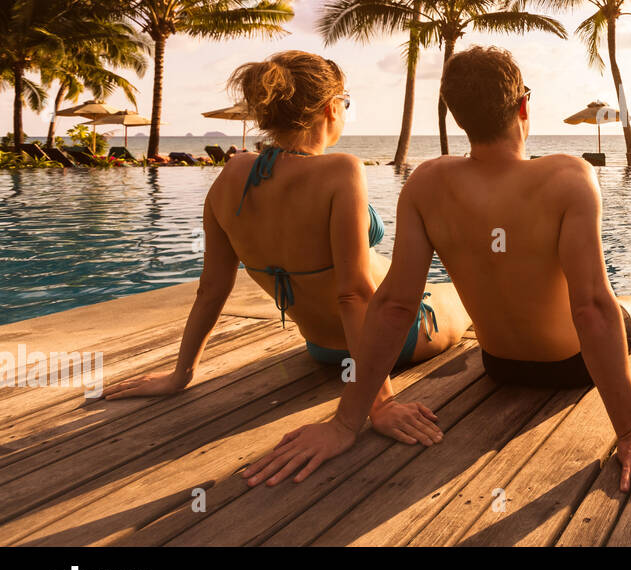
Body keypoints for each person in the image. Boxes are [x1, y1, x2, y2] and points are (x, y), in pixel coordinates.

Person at [245, 46, 631, 499]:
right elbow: (592, 308)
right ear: (523, 105)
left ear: (458, 117)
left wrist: (345, 423)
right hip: (570, 367)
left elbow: (395, 305)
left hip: (498, 365)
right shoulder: (568, 176)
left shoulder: (426, 182)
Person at [102, 51, 469, 447]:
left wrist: (181, 374)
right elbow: (354, 294)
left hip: (321, 348)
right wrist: (378, 405)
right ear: (331, 107)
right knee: (466, 291)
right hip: (397, 339)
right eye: (346, 104)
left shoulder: (231, 175)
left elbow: (211, 289)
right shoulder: (341, 170)